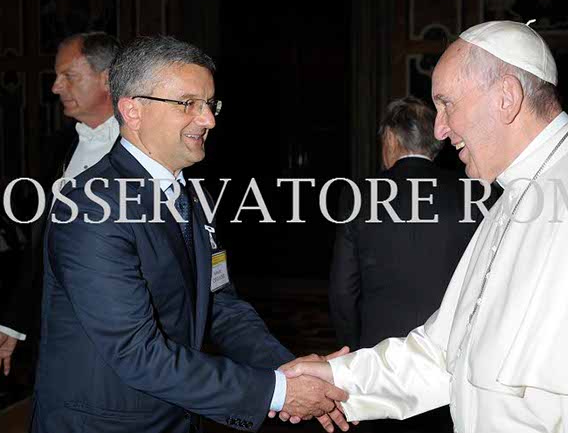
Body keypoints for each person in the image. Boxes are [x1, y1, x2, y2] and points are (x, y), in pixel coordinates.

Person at [282, 20, 568, 433]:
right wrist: (338, 378)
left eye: (447, 104)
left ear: (506, 98)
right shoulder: (510, 196)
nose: (440, 129)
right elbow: (444, 354)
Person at [31, 36, 349, 433]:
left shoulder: (194, 197)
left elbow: (219, 305)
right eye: (188, 104)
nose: (208, 120)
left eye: (210, 104)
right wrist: (279, 392)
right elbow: (136, 353)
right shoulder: (90, 207)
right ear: (133, 111)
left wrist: (286, 369)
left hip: (176, 417)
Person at [329, 97, 480, 433]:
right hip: (449, 363)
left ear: (390, 139)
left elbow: (343, 292)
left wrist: (355, 352)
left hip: (378, 362)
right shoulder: (473, 193)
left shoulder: (358, 195)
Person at [0, 32, 121, 383]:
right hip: (59, 334)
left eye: (68, 76)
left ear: (107, 79)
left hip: (127, 337)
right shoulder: (58, 146)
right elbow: (41, 243)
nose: (55, 87)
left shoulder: (153, 144)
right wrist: (13, 323)